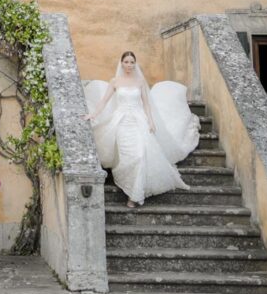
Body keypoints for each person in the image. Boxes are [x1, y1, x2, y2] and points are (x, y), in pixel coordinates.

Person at [82, 51, 200, 208]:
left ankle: (135, 195)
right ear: (121, 63)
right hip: (122, 122)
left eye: (132, 62)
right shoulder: (115, 81)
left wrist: (151, 121)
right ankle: (130, 187)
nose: (129, 65)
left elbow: (146, 104)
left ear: (134, 64)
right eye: (126, 62)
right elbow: (104, 101)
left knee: (139, 155)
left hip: (139, 121)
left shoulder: (140, 81)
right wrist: (93, 114)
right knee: (127, 157)